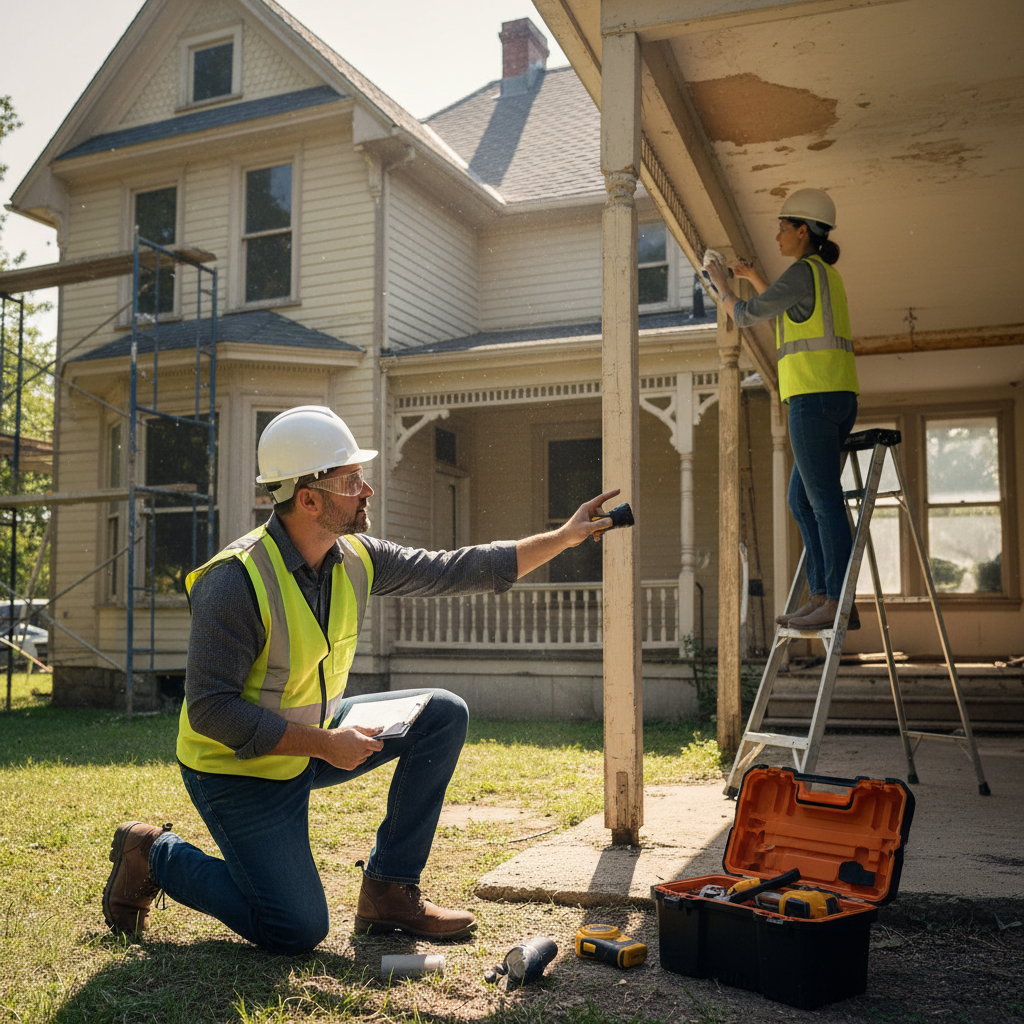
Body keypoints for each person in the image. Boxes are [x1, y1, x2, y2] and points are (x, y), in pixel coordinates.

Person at [102, 405, 618, 953]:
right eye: (350, 481)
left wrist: (564, 537)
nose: (366, 490)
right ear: (308, 499)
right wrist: (325, 744)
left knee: (441, 714)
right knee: (295, 929)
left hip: (317, 736)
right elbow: (211, 710)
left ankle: (389, 891)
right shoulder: (234, 582)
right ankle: (151, 854)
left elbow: (454, 568)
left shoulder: (356, 557)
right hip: (237, 769)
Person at [705, 188, 860, 632]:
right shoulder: (824, 276)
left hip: (813, 399)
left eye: (783, 228)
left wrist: (720, 284)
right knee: (803, 501)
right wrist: (755, 277)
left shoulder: (802, 272)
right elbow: (787, 315)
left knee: (823, 502)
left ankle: (837, 600)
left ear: (802, 231)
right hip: (838, 398)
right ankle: (824, 595)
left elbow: (746, 315)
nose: (777, 236)